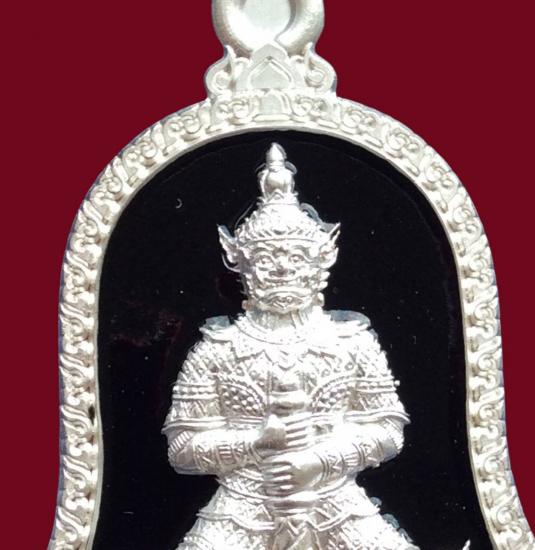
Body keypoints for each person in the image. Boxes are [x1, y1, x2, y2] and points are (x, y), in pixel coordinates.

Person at [163, 143, 418, 550]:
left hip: (336, 500)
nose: (282, 268)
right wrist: (255, 444)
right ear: (243, 266)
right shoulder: (217, 350)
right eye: (267, 259)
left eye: (296, 258)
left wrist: (320, 460)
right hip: (243, 502)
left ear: (320, 263)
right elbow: (181, 450)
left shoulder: (351, 342)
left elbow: (388, 431)